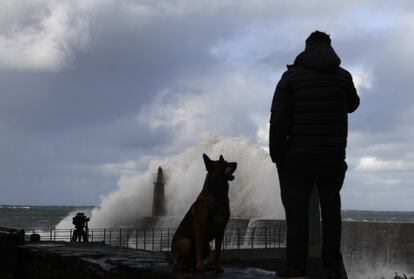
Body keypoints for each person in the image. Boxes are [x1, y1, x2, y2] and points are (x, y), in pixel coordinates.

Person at [269, 31, 360, 279]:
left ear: (307, 48)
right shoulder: (343, 77)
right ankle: (331, 266)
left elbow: (278, 119)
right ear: (330, 48)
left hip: (297, 159)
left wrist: (277, 155)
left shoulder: (290, 77)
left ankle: (296, 267)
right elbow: (353, 104)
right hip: (332, 158)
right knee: (331, 212)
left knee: (296, 213)